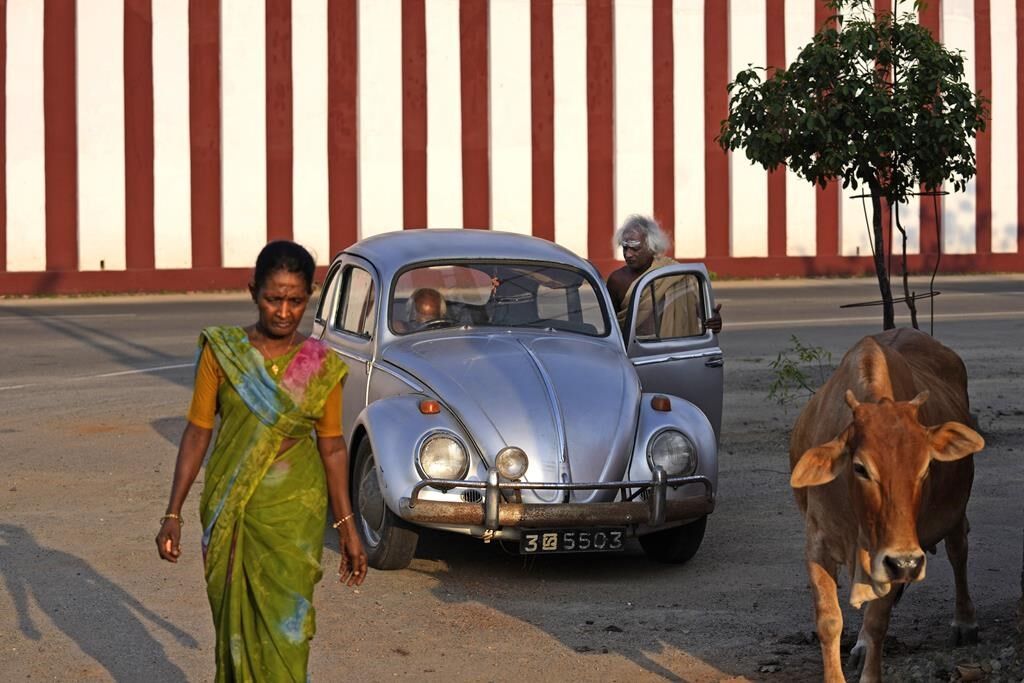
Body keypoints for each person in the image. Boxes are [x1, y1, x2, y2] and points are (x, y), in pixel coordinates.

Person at [155, 240, 367, 681]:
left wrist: (348, 527)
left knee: (288, 634)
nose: (284, 312)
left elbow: (331, 446)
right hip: (232, 508)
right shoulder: (223, 353)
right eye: (273, 299)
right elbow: (198, 431)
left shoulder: (320, 365)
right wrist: (172, 512)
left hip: (294, 516)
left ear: (310, 295)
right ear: (253, 292)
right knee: (232, 629)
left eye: (295, 300)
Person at [606, 214, 723, 337]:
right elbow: (611, 326)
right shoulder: (617, 280)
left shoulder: (673, 274)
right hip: (633, 350)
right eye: (625, 248)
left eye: (635, 249)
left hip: (672, 349)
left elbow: (703, 312)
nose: (628, 254)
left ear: (651, 247)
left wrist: (714, 319)